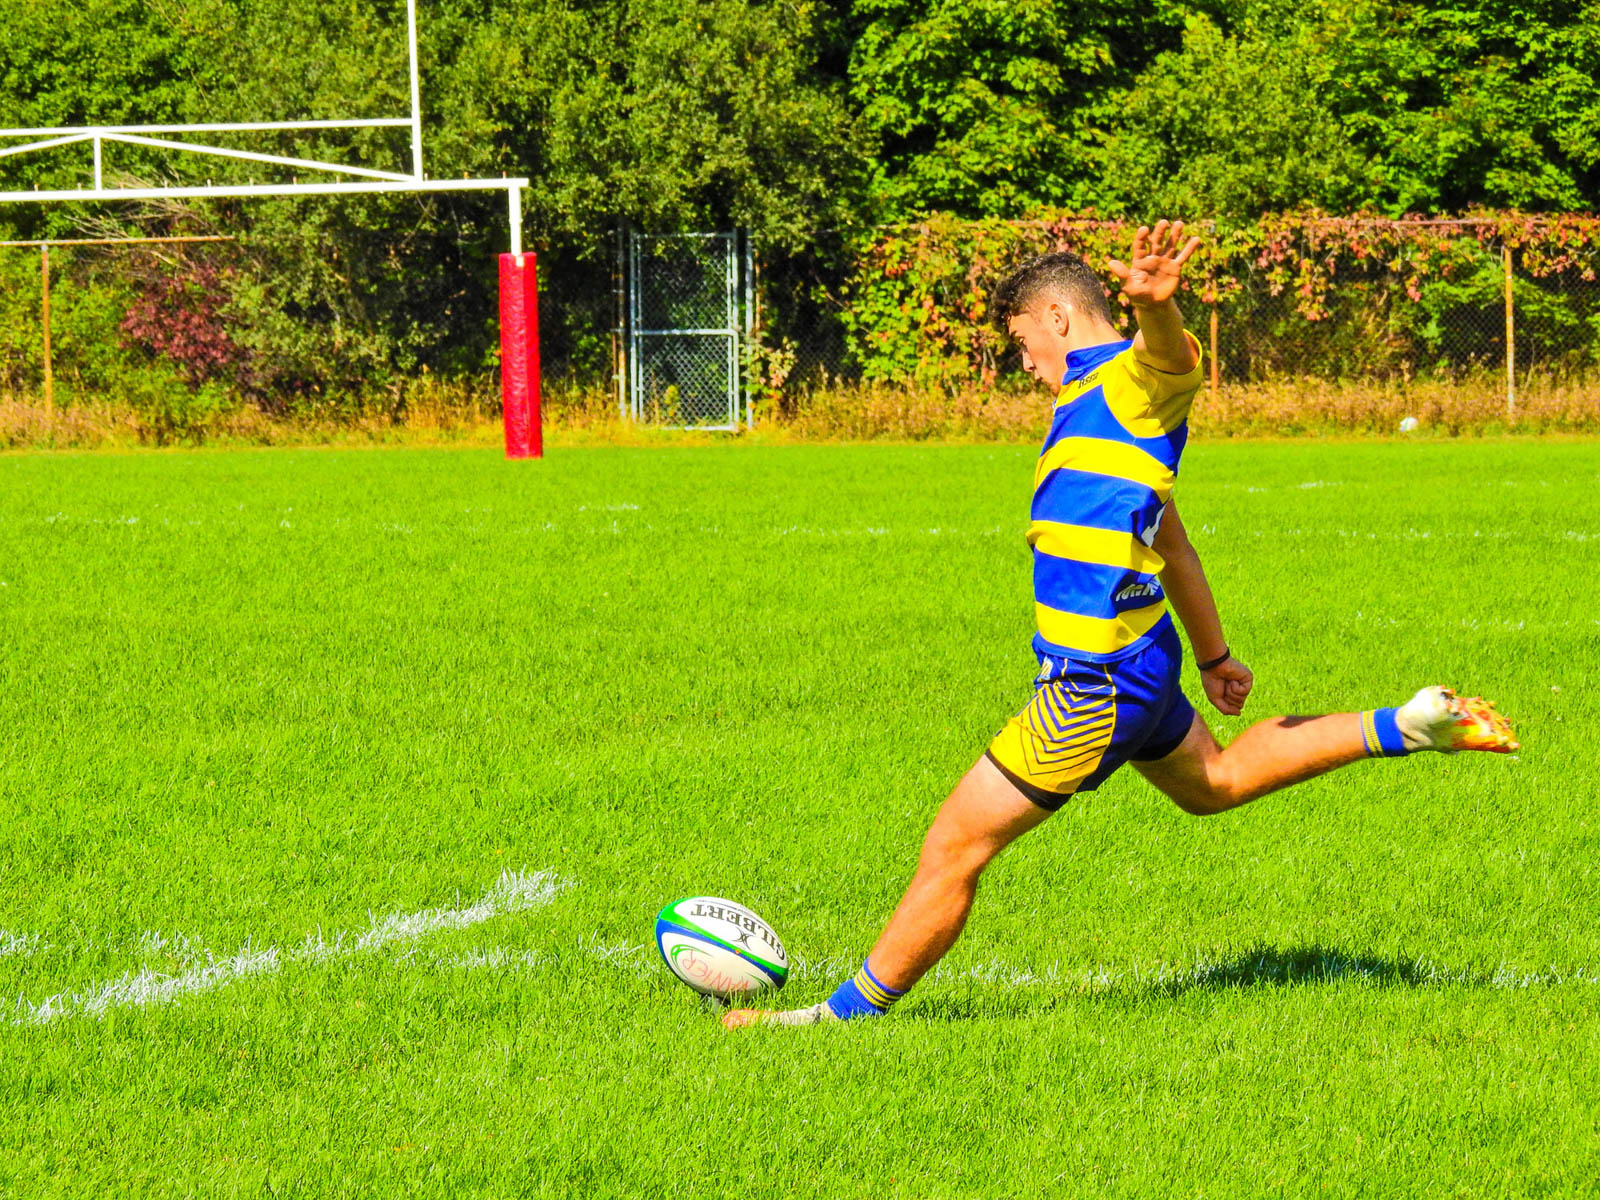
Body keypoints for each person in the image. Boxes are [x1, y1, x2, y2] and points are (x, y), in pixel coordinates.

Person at [724, 220, 1518, 1029]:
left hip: (1090, 688)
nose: (1023, 361)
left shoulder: (1128, 381)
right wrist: (1214, 655)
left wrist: (1159, 310)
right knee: (1217, 783)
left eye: (1022, 339)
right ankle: (1410, 723)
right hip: (1141, 662)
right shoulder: (1092, 407)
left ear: (1058, 320)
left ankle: (833, 1021)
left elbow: (1171, 362)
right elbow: (1174, 546)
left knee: (956, 845)